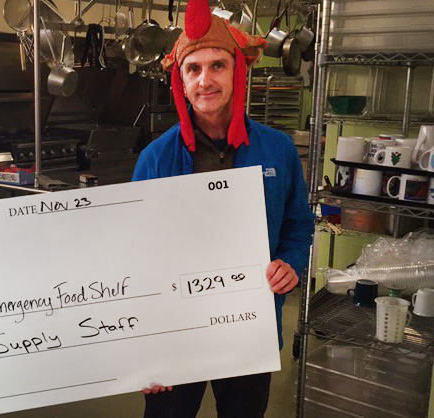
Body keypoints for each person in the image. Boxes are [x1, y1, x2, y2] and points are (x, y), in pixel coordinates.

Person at [133, 1, 314, 417]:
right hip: (175, 336)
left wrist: (289, 261)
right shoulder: (156, 160)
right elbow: (136, 255)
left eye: (217, 66)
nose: (206, 80)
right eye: (193, 69)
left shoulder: (278, 150)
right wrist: (142, 348)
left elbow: (298, 225)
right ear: (180, 81)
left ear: (237, 72)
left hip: (247, 330)